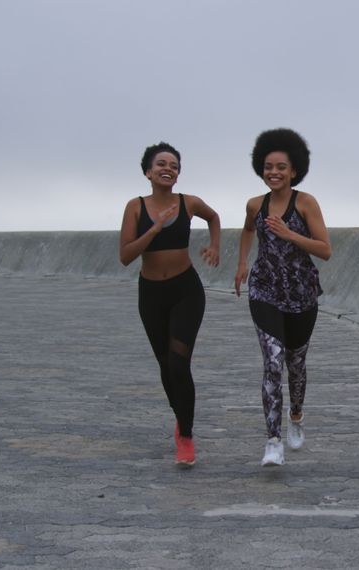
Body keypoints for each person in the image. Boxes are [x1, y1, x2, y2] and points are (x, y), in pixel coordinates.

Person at [119, 142, 221, 468]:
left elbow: (214, 217)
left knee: (179, 364)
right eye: (161, 164)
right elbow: (126, 256)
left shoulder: (188, 202)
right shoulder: (135, 207)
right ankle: (181, 417)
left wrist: (215, 246)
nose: (168, 168)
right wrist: (155, 228)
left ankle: (186, 436)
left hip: (185, 291)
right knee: (165, 367)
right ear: (148, 172)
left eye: (174, 165)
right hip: (151, 295)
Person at [235, 128, 332, 466]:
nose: (273, 173)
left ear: (294, 170)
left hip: (302, 295)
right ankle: (272, 440)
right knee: (272, 362)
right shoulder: (254, 205)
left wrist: (289, 233)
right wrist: (243, 264)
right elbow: (249, 230)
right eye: (267, 166)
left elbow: (325, 250)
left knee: (296, 364)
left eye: (280, 167)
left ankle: (296, 415)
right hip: (264, 290)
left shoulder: (305, 203)